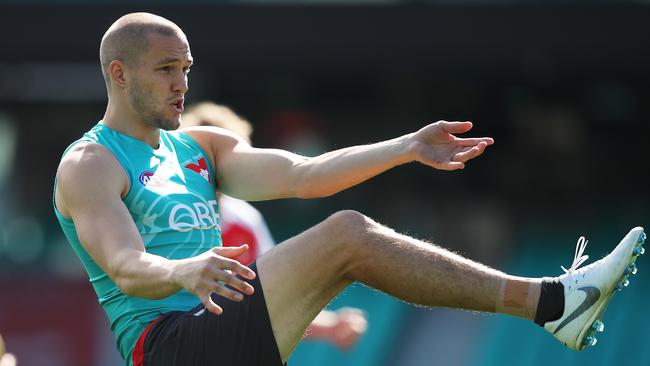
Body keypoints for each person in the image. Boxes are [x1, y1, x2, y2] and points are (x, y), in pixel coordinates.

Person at [53, 12, 645, 366]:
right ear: (118, 73)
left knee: (346, 234)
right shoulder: (89, 163)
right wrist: (181, 272)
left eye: (185, 67)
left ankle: (554, 303)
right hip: (168, 347)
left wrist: (405, 148)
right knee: (348, 237)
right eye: (166, 69)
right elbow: (127, 266)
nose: (182, 82)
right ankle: (552, 303)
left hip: (223, 332)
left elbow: (305, 175)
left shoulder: (199, 146)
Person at [181, 102, 368, 349]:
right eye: (207, 157)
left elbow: (269, 300)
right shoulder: (159, 213)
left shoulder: (245, 221)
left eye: (232, 158)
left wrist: (331, 326)